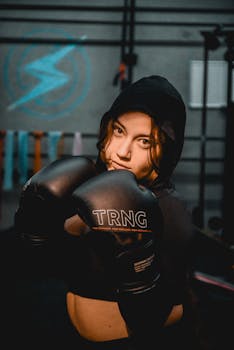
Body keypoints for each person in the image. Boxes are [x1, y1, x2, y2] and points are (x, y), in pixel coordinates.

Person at [14, 75, 199, 349]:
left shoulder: (168, 208)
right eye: (120, 131)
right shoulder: (96, 190)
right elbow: (49, 265)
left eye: (144, 141)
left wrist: (138, 263)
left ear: (167, 150)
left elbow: (157, 314)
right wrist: (38, 224)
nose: (122, 152)